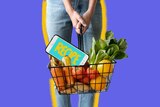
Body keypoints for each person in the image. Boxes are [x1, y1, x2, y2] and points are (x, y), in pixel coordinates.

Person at [46, 0, 102, 107]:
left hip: (89, 3)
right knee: (59, 71)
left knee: (90, 69)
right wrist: (70, 10)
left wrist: (90, 11)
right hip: (57, 4)